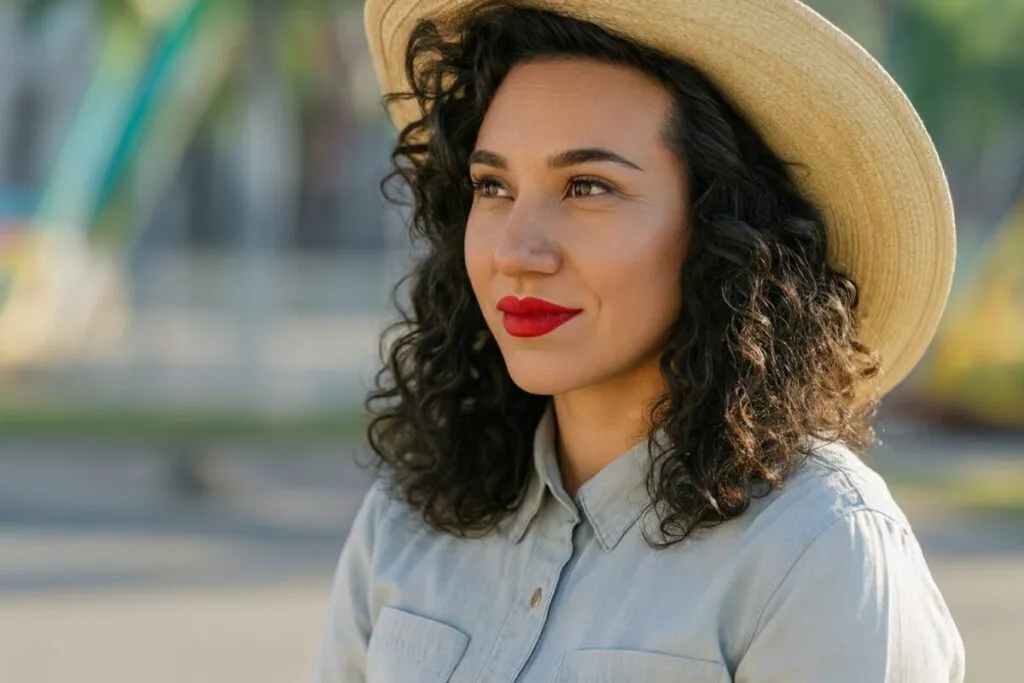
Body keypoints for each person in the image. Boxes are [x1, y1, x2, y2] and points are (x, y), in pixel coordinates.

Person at [313, 0, 965, 680]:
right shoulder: (407, 519)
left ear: (721, 226)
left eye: (587, 186)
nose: (516, 250)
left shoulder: (820, 551)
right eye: (494, 185)